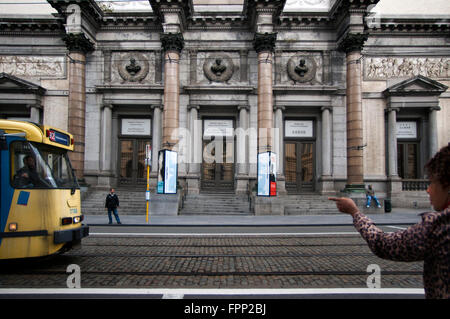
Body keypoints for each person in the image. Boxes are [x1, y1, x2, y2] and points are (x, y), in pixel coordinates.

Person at [329, 144, 449, 299]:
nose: (428, 189)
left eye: (432, 182)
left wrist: (354, 212)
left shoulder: (439, 227)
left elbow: (383, 244)